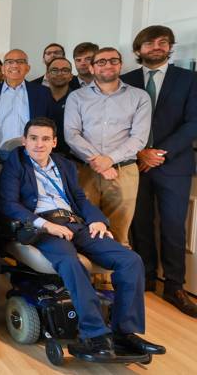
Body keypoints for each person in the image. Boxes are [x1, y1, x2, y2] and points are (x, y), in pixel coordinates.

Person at [0, 117, 166, 361]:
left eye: (45, 139)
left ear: (54, 142)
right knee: (71, 262)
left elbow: (80, 199)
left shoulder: (64, 165)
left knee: (130, 261)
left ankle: (123, 333)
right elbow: (8, 204)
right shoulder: (16, 163)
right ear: (24, 141)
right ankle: (95, 335)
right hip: (43, 227)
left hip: (76, 224)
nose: (39, 144)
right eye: (33, 138)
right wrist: (47, 226)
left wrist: (97, 220)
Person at [123, 25, 197, 317]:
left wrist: (157, 154)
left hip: (174, 165)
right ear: (138, 49)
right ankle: (147, 276)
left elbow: (193, 123)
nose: (156, 47)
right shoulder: (126, 80)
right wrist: (139, 152)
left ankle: (175, 285)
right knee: (139, 223)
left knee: (173, 226)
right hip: (134, 162)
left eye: (162, 42)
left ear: (170, 47)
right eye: (149, 43)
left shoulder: (189, 80)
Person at [64, 47, 151, 248]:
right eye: (101, 62)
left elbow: (139, 138)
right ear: (92, 68)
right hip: (84, 170)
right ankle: (92, 280)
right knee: (85, 230)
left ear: (120, 65)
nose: (108, 65)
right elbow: (71, 134)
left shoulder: (139, 97)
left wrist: (109, 160)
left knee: (119, 234)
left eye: (113, 60)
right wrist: (98, 161)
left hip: (123, 172)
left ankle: (112, 280)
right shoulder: (77, 97)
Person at [0, 49, 54, 165]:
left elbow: (50, 126)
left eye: (20, 61)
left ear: (28, 68)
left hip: (33, 159)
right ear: (3, 68)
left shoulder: (42, 93)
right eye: (9, 62)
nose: (15, 65)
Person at [45, 57, 75, 155]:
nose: (59, 74)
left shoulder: (78, 99)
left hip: (72, 157)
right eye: (54, 70)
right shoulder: (37, 97)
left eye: (65, 70)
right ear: (47, 75)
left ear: (71, 76)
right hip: (40, 154)